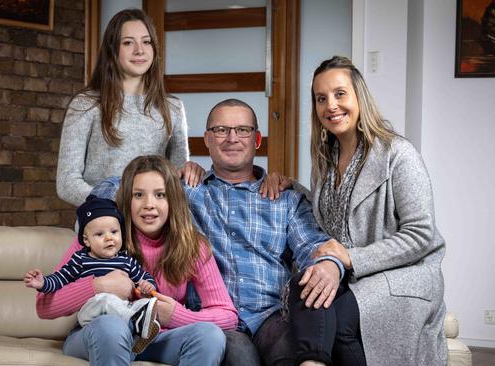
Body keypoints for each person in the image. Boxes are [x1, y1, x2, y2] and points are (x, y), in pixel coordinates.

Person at [91, 98, 345, 366]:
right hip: (218, 322)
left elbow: (313, 248)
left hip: (271, 317)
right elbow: (103, 193)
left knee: (291, 355)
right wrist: (165, 176)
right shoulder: (185, 191)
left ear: (257, 139)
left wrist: (331, 263)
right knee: (238, 358)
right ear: (207, 140)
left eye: (243, 130)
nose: (232, 138)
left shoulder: (284, 198)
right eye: (221, 130)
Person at [267, 55, 447, 365]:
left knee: (338, 320)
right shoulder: (325, 161)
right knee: (305, 286)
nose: (330, 106)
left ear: (358, 97)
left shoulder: (398, 154)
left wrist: (351, 257)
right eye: (321, 99)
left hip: (403, 275)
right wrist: (290, 185)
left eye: (339, 94)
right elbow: (335, 213)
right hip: (355, 277)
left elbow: (420, 236)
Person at [37, 155, 237, 366]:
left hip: (159, 338)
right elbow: (44, 306)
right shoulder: (101, 239)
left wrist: (176, 315)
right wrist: (99, 285)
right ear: (126, 199)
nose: (149, 205)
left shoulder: (193, 246)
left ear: (173, 201)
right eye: (138, 195)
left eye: (160, 195)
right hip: (101, 334)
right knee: (112, 327)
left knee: (209, 336)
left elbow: (228, 315)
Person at [56, 8, 189, 207]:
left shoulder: (173, 108)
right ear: (112, 49)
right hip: (103, 224)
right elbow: (67, 183)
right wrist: (119, 202)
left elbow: (179, 179)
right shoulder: (87, 104)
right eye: (128, 43)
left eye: (146, 42)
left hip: (154, 224)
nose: (140, 50)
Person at [24, 196, 160, 353]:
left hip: (121, 314)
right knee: (105, 299)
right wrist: (43, 283)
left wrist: (147, 285)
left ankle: (138, 332)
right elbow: (60, 279)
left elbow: (144, 278)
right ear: (86, 240)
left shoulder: (127, 261)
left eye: (114, 232)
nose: (109, 237)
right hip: (92, 315)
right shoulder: (81, 259)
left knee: (145, 304)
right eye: (99, 234)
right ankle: (136, 322)